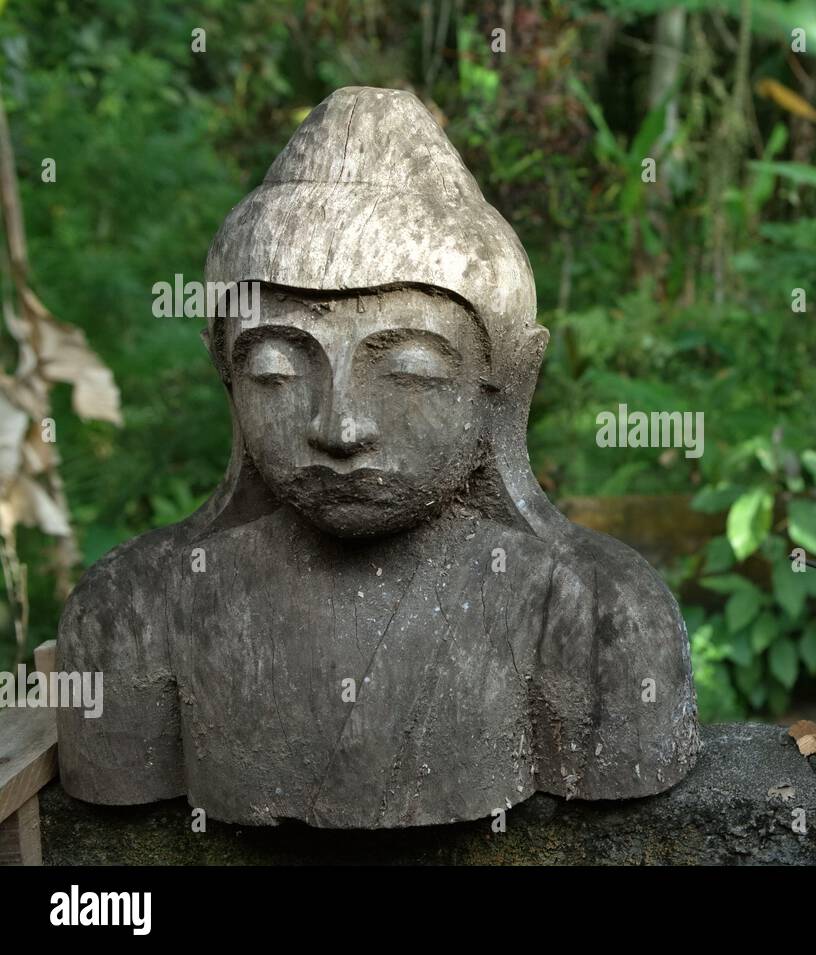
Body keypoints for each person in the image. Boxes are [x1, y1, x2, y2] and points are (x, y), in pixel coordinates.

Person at [56, 87, 699, 828]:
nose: (339, 425)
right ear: (224, 373)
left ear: (509, 378)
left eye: (408, 372)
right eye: (275, 369)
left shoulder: (601, 613)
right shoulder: (130, 611)